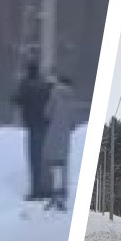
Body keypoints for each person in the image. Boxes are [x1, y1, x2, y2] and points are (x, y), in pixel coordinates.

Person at [41, 75, 91, 210]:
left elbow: (47, 114)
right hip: (65, 135)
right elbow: (74, 121)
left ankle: (52, 192)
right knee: (63, 164)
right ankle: (62, 192)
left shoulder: (54, 95)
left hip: (52, 133)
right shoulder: (72, 99)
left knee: (51, 163)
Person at [13, 60, 52, 200]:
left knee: (34, 159)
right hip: (45, 125)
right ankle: (47, 188)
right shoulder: (44, 85)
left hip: (32, 125)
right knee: (44, 159)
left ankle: (36, 190)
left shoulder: (26, 85)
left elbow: (17, 100)